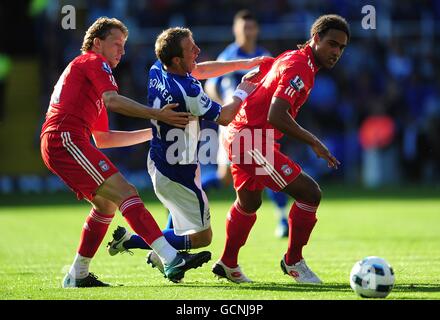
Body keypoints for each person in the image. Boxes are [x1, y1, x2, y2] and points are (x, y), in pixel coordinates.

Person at [40, 17, 212, 287]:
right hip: (65, 138)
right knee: (127, 193)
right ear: (97, 43)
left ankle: (78, 274)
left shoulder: (87, 74)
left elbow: (104, 139)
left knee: (106, 205)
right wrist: (156, 114)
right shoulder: (94, 61)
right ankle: (170, 258)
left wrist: (154, 129)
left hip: (64, 140)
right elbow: (113, 101)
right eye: (116, 44)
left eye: (124, 46)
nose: (122, 51)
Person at [106, 27, 270, 273]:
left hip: (163, 158)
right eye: (191, 49)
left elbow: (201, 69)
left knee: (179, 214)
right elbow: (225, 117)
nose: (198, 51)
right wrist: (242, 90)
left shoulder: (157, 68)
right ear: (176, 59)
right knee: (203, 237)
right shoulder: (188, 92)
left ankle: (167, 259)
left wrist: (244, 63)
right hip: (178, 172)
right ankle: (132, 240)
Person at [212, 14, 350, 284]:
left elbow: (264, 77)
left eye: (341, 48)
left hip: (243, 136)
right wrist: (314, 142)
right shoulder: (300, 65)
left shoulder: (293, 58)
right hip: (250, 140)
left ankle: (228, 262)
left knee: (249, 202)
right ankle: (293, 262)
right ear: (316, 38)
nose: (336, 52)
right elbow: (277, 114)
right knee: (310, 194)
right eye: (332, 44)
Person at [204, 10, 290, 238]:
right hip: (233, 123)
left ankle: (282, 219)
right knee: (224, 177)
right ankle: (192, 196)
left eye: (251, 28)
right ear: (236, 30)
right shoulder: (229, 56)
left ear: (257, 30)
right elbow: (210, 86)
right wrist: (225, 106)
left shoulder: (265, 56)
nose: (247, 32)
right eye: (244, 28)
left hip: (259, 122)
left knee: (266, 169)